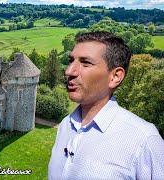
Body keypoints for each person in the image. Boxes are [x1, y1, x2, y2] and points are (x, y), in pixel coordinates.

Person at [48, 31, 164, 179]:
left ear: (115, 77)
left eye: (86, 63)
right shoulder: (66, 125)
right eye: (71, 61)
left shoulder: (144, 140)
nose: (69, 71)